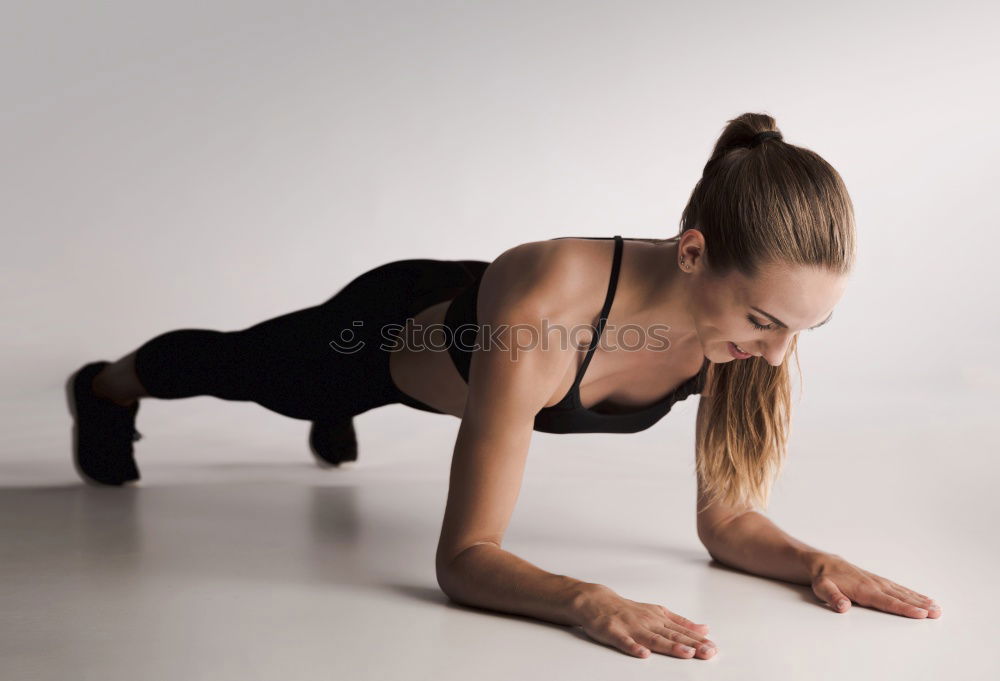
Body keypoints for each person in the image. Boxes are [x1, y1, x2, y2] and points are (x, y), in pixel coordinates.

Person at [65, 112, 941, 660]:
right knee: (248, 369)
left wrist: (813, 561)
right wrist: (586, 600)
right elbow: (464, 558)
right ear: (694, 252)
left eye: (804, 328)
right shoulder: (546, 300)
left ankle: (327, 413)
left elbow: (727, 526)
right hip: (382, 333)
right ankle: (106, 387)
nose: (781, 354)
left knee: (302, 394)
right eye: (766, 321)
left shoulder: (745, 332)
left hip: (469, 345)